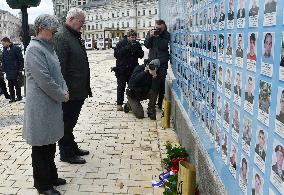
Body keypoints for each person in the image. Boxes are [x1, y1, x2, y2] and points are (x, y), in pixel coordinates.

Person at [23, 14, 69, 195]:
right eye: (52, 31)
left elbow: (58, 73)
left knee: (50, 143)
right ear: (41, 29)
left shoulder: (48, 47)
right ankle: (43, 185)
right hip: (41, 106)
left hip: (51, 103)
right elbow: (44, 79)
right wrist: (61, 94)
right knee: (41, 146)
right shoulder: (34, 49)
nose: (55, 34)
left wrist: (64, 88)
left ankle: (51, 176)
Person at [54, 7, 92, 164]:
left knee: (71, 122)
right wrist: (63, 90)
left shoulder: (73, 35)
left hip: (78, 89)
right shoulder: (62, 37)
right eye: (81, 21)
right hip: (70, 91)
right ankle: (66, 153)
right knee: (66, 122)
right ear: (71, 19)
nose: (82, 24)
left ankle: (72, 146)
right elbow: (60, 67)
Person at [144, 19, 170, 117]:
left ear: (164, 27)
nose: (158, 30)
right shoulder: (151, 32)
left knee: (161, 83)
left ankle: (160, 103)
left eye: (161, 29)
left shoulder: (166, 34)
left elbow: (163, 46)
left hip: (162, 62)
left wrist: (158, 36)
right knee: (152, 82)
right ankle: (152, 102)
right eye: (157, 28)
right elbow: (146, 45)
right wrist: (150, 36)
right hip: (152, 62)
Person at [113, 30, 144, 111]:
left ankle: (131, 103)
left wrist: (136, 49)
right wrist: (127, 48)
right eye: (131, 37)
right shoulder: (121, 43)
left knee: (132, 87)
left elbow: (141, 55)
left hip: (133, 69)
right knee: (121, 87)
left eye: (134, 37)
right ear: (128, 37)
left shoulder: (136, 44)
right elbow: (116, 55)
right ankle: (119, 104)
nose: (133, 39)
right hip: (122, 69)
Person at [1, 37, 23, 103]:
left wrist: (20, 69)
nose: (2, 45)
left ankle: (19, 96)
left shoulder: (16, 48)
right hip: (8, 70)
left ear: (7, 42)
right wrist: (4, 69)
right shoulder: (4, 49)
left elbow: (20, 59)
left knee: (17, 85)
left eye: (3, 43)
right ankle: (12, 98)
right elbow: (3, 60)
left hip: (15, 70)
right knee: (10, 86)